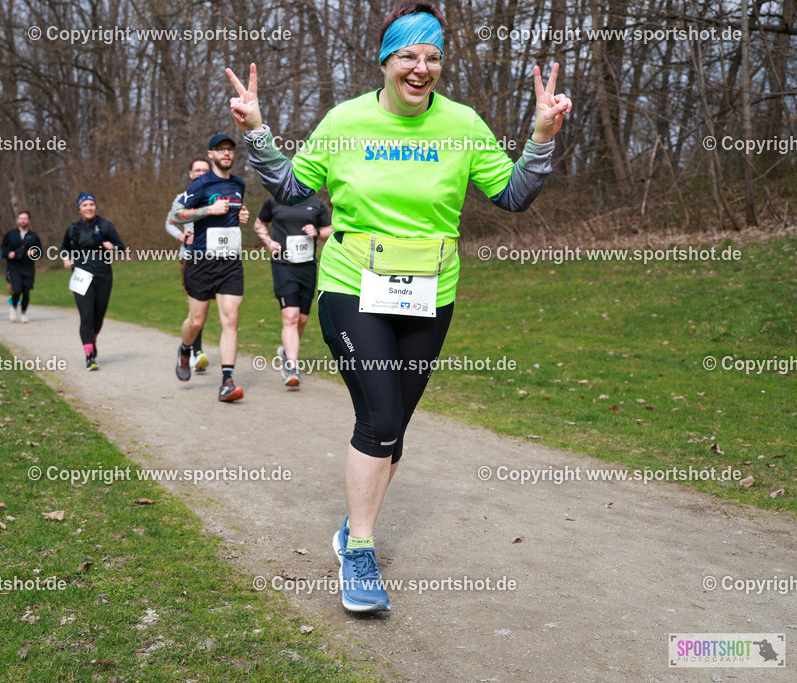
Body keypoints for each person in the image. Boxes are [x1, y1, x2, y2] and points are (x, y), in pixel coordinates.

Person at [228, 0, 571, 612]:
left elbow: (513, 195)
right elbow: (291, 187)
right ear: (385, 62)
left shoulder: (462, 124)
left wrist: (541, 136)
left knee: (394, 431)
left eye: (432, 56)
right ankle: (360, 551)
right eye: (408, 55)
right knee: (380, 420)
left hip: (429, 294)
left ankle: (351, 527)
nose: (421, 68)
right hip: (351, 287)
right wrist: (256, 130)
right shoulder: (346, 120)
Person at [169, 134, 249, 402]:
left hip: (230, 262)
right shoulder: (201, 184)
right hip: (202, 261)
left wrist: (241, 214)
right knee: (197, 321)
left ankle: (227, 381)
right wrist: (208, 210)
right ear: (211, 154)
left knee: (231, 320)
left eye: (230, 149)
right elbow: (176, 215)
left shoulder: (239, 184)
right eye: (220, 149)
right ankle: (185, 349)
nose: (226, 153)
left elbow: (234, 213)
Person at [253, 195, 332, 387]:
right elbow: (259, 224)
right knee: (290, 316)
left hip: (307, 266)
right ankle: (292, 367)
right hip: (283, 265)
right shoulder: (274, 201)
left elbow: (329, 230)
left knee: (302, 319)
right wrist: (269, 242)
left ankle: (286, 352)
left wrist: (317, 232)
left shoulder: (315, 203)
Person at [60, 193, 126, 370]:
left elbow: (121, 247)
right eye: (85, 205)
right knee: (86, 316)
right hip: (82, 277)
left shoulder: (105, 226)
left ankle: (92, 339)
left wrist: (112, 247)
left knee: (98, 318)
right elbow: (64, 247)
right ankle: (89, 356)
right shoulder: (73, 229)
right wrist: (66, 259)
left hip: (103, 277)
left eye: (91, 204)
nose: (88, 208)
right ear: (79, 209)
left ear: (95, 207)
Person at [166, 157, 211, 374]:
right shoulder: (182, 199)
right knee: (196, 306)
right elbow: (170, 222)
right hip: (190, 257)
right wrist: (182, 237)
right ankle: (196, 351)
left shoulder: (216, 197)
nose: (201, 173)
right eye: (197, 170)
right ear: (191, 174)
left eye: (205, 170)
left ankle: (192, 350)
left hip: (216, 258)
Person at [1, 210, 41, 323]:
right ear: (18, 220)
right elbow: (3, 248)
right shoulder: (10, 234)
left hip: (28, 267)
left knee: (26, 291)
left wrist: (34, 253)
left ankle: (23, 313)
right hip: (14, 267)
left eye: (25, 219)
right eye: (21, 218)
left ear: (29, 220)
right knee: (17, 289)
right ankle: (14, 308)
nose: (23, 221)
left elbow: (40, 251)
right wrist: (8, 254)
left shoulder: (33, 236)